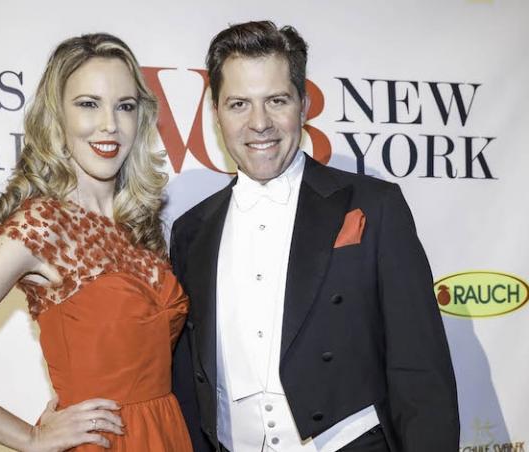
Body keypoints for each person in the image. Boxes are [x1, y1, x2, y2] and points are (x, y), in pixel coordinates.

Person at [0, 33, 192, 452]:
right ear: (58, 115)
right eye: (88, 104)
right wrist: (28, 437)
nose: (110, 123)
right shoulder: (41, 225)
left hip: (167, 435)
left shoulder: (139, 224)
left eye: (125, 106)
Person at [170, 21, 459, 452]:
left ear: (304, 105)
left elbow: (420, 371)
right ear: (216, 114)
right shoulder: (191, 230)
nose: (259, 123)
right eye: (238, 105)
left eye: (277, 100)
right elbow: (188, 381)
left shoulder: (374, 205)